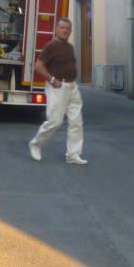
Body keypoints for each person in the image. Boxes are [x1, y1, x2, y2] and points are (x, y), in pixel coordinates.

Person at [28, 18, 87, 165]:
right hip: (57, 87)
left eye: (67, 28)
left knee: (76, 122)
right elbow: (39, 66)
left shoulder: (70, 47)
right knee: (55, 121)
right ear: (56, 29)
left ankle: (73, 155)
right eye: (62, 28)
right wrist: (53, 80)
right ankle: (36, 144)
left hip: (72, 87)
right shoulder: (51, 46)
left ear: (70, 31)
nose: (65, 31)